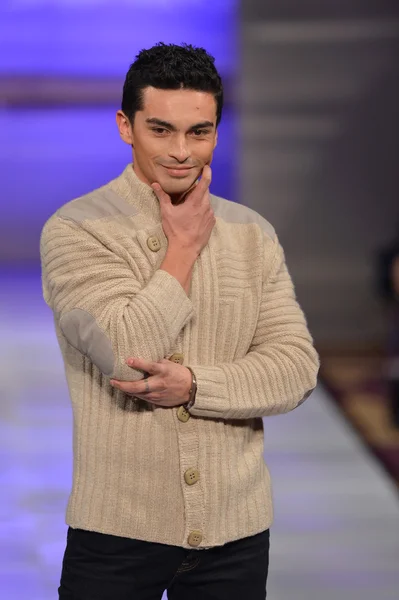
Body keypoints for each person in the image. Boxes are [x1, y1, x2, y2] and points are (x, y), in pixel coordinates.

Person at [40, 43, 319, 600]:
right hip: (117, 530)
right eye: (161, 130)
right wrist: (184, 248)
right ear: (126, 126)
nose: (181, 151)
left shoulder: (251, 234)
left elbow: (295, 368)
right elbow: (122, 350)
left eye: (199, 132)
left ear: (217, 130)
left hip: (235, 529)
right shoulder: (77, 229)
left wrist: (194, 386)